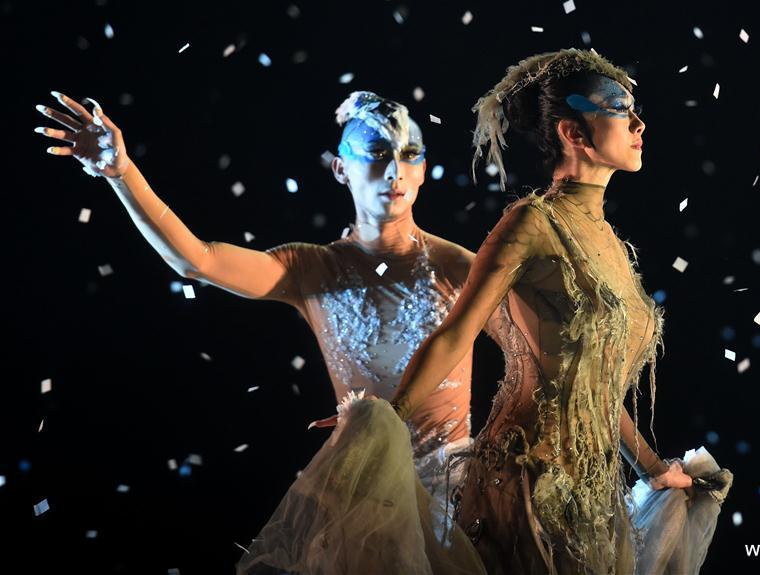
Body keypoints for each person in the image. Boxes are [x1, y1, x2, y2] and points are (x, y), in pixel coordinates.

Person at [34, 90, 492, 573]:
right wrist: (122, 173)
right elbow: (198, 261)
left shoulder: (462, 268)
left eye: (408, 155)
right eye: (377, 154)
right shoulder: (312, 269)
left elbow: (534, 356)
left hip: (455, 499)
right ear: (340, 169)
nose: (394, 171)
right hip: (362, 501)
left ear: (423, 169)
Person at [390, 48, 733, 574]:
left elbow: (594, 386)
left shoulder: (612, 244)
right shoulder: (531, 223)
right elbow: (455, 335)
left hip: (594, 497)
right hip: (526, 483)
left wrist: (651, 469)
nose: (639, 121)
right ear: (574, 134)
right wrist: (382, 422)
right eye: (619, 108)